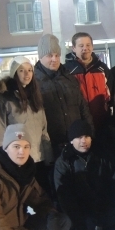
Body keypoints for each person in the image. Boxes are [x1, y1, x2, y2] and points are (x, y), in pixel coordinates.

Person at [54, 120, 115, 230]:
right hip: (80, 207)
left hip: (103, 202)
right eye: (79, 137)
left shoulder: (103, 154)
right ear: (71, 140)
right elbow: (63, 194)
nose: (83, 141)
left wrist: (113, 203)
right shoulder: (64, 161)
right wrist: (75, 214)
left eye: (86, 136)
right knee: (81, 223)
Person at [33, 33, 93, 188]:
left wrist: (89, 132)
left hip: (75, 144)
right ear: (41, 56)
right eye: (49, 55)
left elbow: (83, 108)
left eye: (57, 55)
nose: (54, 59)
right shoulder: (34, 83)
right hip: (51, 146)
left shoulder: (69, 78)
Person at [0, 56, 51, 170]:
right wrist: (3, 162)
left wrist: (49, 158)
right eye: (21, 70)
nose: (27, 74)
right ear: (14, 73)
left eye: (30, 70)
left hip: (39, 159)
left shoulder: (35, 98)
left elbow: (44, 131)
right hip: (17, 161)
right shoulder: (4, 99)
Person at [64, 32, 111, 130]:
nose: (85, 48)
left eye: (88, 45)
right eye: (81, 46)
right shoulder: (66, 70)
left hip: (102, 121)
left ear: (92, 47)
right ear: (74, 48)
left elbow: (110, 93)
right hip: (79, 123)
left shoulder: (102, 68)